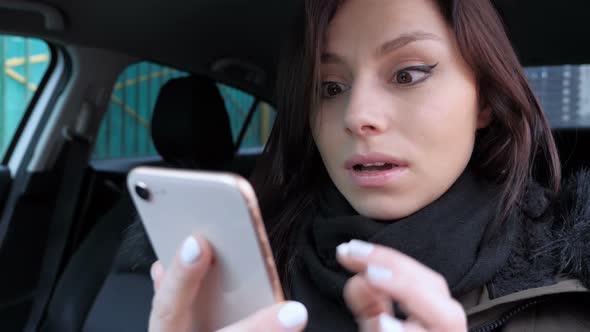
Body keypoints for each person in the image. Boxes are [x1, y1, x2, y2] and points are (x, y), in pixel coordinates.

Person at [145, 0, 590, 331]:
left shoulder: (572, 292)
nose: (358, 116)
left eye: (408, 74)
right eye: (330, 87)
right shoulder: (238, 278)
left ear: (485, 102)